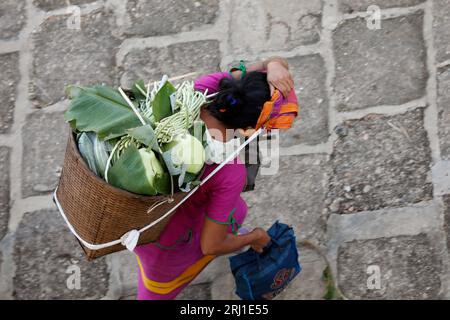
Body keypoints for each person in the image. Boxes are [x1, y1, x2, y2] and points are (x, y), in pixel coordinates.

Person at [134, 57, 296, 300]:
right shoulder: (229, 170)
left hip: (150, 205)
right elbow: (210, 247)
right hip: (162, 244)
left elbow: (243, 72)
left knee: (237, 210)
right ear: (248, 130)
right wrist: (256, 237)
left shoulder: (205, 89)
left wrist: (272, 64)